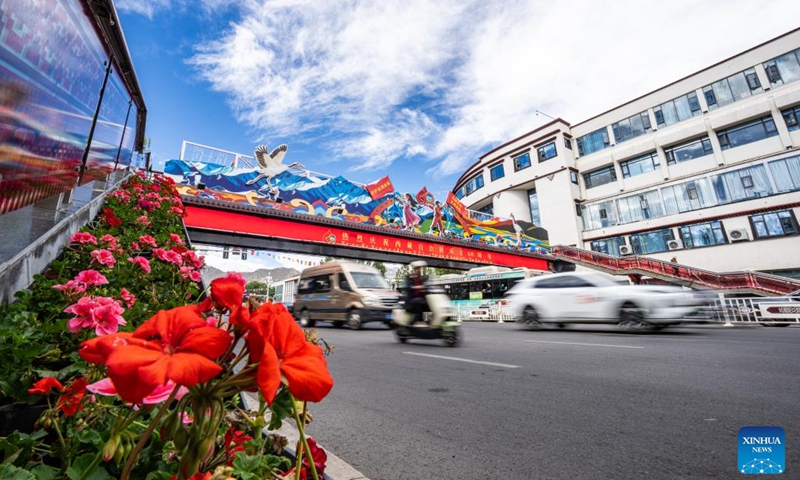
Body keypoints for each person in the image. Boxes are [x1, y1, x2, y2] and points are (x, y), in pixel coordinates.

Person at [402, 260, 430, 324]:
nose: (419, 270)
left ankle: (428, 321)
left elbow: (426, 285)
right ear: (414, 269)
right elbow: (408, 287)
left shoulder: (422, 278)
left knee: (430, 303)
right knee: (419, 301)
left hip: (421, 299)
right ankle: (415, 321)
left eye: (420, 269)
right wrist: (418, 287)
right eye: (417, 269)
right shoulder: (409, 277)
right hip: (411, 300)